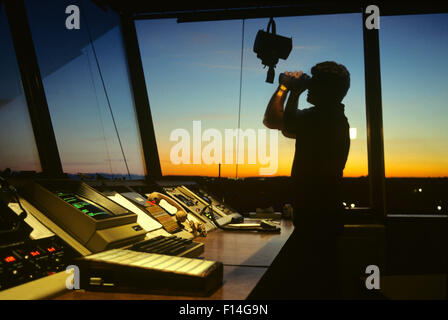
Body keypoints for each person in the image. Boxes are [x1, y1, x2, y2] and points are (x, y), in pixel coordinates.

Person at [249, 61, 351, 299]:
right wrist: (295, 93)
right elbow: (288, 127)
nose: (310, 88)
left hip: (317, 219)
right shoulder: (331, 118)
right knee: (320, 282)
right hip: (322, 216)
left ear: (326, 89)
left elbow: (273, 120)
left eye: (316, 83)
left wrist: (286, 89)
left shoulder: (322, 118)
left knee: (311, 285)